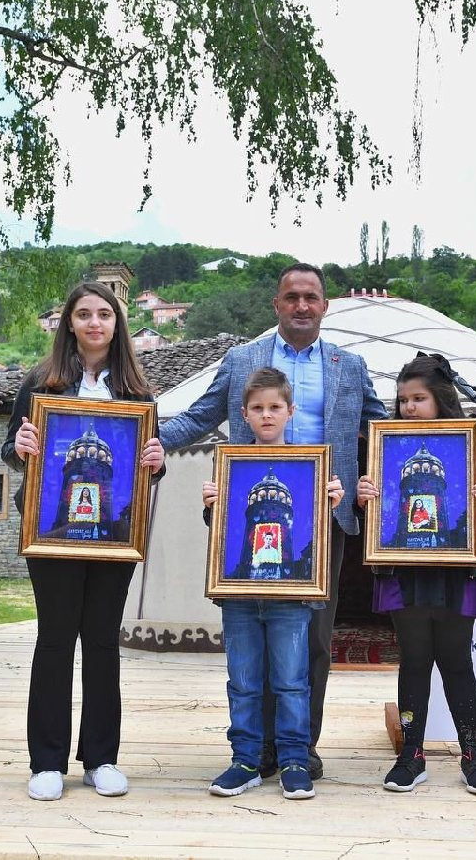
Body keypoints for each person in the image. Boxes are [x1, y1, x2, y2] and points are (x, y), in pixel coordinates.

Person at [160, 263, 387, 780]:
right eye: (292, 297)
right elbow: (199, 416)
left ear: (325, 306)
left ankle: (298, 749)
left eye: (311, 297)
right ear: (277, 305)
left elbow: (381, 430)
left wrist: (444, 447)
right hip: (247, 515)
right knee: (252, 638)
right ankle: (254, 750)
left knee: (313, 641)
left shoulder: (349, 366)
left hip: (324, 518)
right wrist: (146, 443)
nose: (302, 305)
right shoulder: (243, 361)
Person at [2, 280, 167, 802]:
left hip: (115, 534)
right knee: (54, 640)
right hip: (51, 528)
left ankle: (101, 757)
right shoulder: (40, 382)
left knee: (101, 642)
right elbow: (11, 447)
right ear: (69, 323)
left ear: (117, 325)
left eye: (104, 314)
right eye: (84, 314)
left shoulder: (136, 393)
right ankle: (46, 760)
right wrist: (21, 444)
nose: (95, 323)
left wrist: (155, 463)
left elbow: (147, 466)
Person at [356, 353, 476, 795]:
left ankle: (473, 755)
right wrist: (365, 495)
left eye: (418, 398)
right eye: (403, 399)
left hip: (457, 566)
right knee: (415, 660)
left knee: (457, 661)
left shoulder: (473, 440)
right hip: (406, 566)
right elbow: (372, 504)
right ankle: (411, 755)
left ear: (440, 398)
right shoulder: (385, 444)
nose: (408, 407)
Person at [202, 368, 344, 800]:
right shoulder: (230, 463)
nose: (267, 415)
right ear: (244, 414)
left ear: (290, 411)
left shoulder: (311, 465)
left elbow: (311, 532)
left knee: (291, 680)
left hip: (290, 593)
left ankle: (294, 759)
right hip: (240, 593)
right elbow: (221, 531)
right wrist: (213, 505)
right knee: (243, 679)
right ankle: (244, 759)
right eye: (258, 408)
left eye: (275, 407)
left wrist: (329, 503)